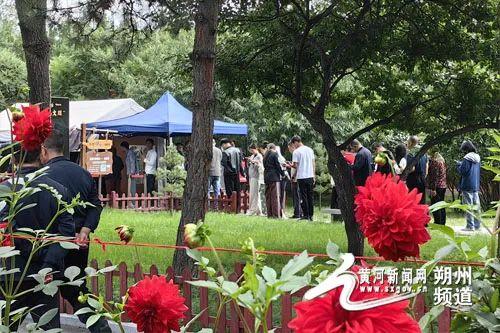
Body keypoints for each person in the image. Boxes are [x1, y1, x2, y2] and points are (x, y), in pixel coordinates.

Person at [40, 132, 112, 333]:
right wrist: (85, 230)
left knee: (46, 292)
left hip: (51, 243)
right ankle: (101, 327)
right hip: (79, 242)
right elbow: (95, 205)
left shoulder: (43, 175)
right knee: (76, 289)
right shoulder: (82, 173)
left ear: (44, 150)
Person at [1, 148, 75, 331]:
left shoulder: (5, 191)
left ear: (13, 160)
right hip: (45, 276)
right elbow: (66, 234)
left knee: (4, 327)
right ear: (42, 154)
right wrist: (47, 264)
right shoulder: (59, 190)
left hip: (10, 275)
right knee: (48, 328)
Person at [457, 140, 481, 231]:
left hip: (467, 184)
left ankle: (470, 226)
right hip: (475, 184)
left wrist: (459, 165)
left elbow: (463, 171)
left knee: (468, 206)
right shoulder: (477, 157)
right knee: (476, 206)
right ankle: (477, 225)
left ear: (466, 149)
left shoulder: (467, 158)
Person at [291, 135, 316, 221]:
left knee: (303, 196)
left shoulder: (296, 152)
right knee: (310, 196)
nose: (293, 146)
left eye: (293, 144)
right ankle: (311, 215)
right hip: (310, 175)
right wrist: (314, 175)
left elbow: (295, 165)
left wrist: (290, 167)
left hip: (301, 176)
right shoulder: (310, 150)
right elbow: (313, 163)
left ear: (296, 142)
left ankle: (306, 215)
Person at [263, 143, 285, 218]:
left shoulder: (265, 155)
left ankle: (270, 214)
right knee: (275, 196)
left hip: (266, 177)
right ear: (274, 148)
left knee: (268, 196)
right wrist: (283, 174)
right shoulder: (274, 154)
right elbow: (277, 165)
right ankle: (276, 214)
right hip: (274, 177)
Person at [406, 136, 428, 204]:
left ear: (410, 143)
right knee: (422, 201)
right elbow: (427, 166)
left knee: (413, 201)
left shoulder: (411, 153)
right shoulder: (424, 152)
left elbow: (412, 168)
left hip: (413, 179)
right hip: (422, 178)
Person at [221, 138, 242, 209]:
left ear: (224, 144)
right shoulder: (238, 151)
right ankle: (238, 206)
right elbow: (240, 163)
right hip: (237, 173)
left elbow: (224, 163)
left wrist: (229, 170)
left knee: (230, 191)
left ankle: (231, 206)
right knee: (237, 190)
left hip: (228, 174)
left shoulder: (225, 152)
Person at [427, 151, 447, 225]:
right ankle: (442, 222)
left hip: (437, 187)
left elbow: (434, 177)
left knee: (436, 205)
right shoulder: (442, 162)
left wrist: (433, 189)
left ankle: (438, 222)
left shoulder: (435, 163)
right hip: (443, 186)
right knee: (441, 204)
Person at [246, 144, 264, 215]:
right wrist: (250, 161)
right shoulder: (253, 156)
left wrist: (253, 161)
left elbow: (260, 166)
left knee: (254, 194)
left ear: (256, 148)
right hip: (251, 176)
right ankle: (258, 210)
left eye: (252, 150)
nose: (251, 152)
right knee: (253, 194)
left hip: (256, 177)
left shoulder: (259, 156)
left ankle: (253, 210)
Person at [288, 142, 302, 218]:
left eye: (289, 148)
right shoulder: (296, 154)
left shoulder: (295, 154)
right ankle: (297, 212)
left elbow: (297, 167)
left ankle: (298, 213)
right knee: (296, 196)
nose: (289, 150)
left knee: (297, 196)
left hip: (296, 179)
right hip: (295, 178)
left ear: (292, 147)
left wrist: (293, 176)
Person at [208, 139, 223, 209]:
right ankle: (216, 206)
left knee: (207, 189)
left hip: (209, 172)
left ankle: (207, 205)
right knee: (216, 190)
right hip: (217, 172)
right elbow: (220, 159)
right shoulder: (219, 150)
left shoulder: (208, 150)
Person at [276, 146, 289, 218]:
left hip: (282, 177)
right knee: (281, 194)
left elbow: (282, 168)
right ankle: (280, 211)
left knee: (281, 194)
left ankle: (281, 211)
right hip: (281, 177)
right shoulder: (281, 157)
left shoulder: (280, 158)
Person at [258, 142, 269, 215]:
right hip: (263, 179)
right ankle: (264, 211)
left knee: (263, 196)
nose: (261, 152)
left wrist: (259, 164)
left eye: (261, 150)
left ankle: (265, 211)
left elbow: (264, 169)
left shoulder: (265, 157)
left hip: (264, 179)